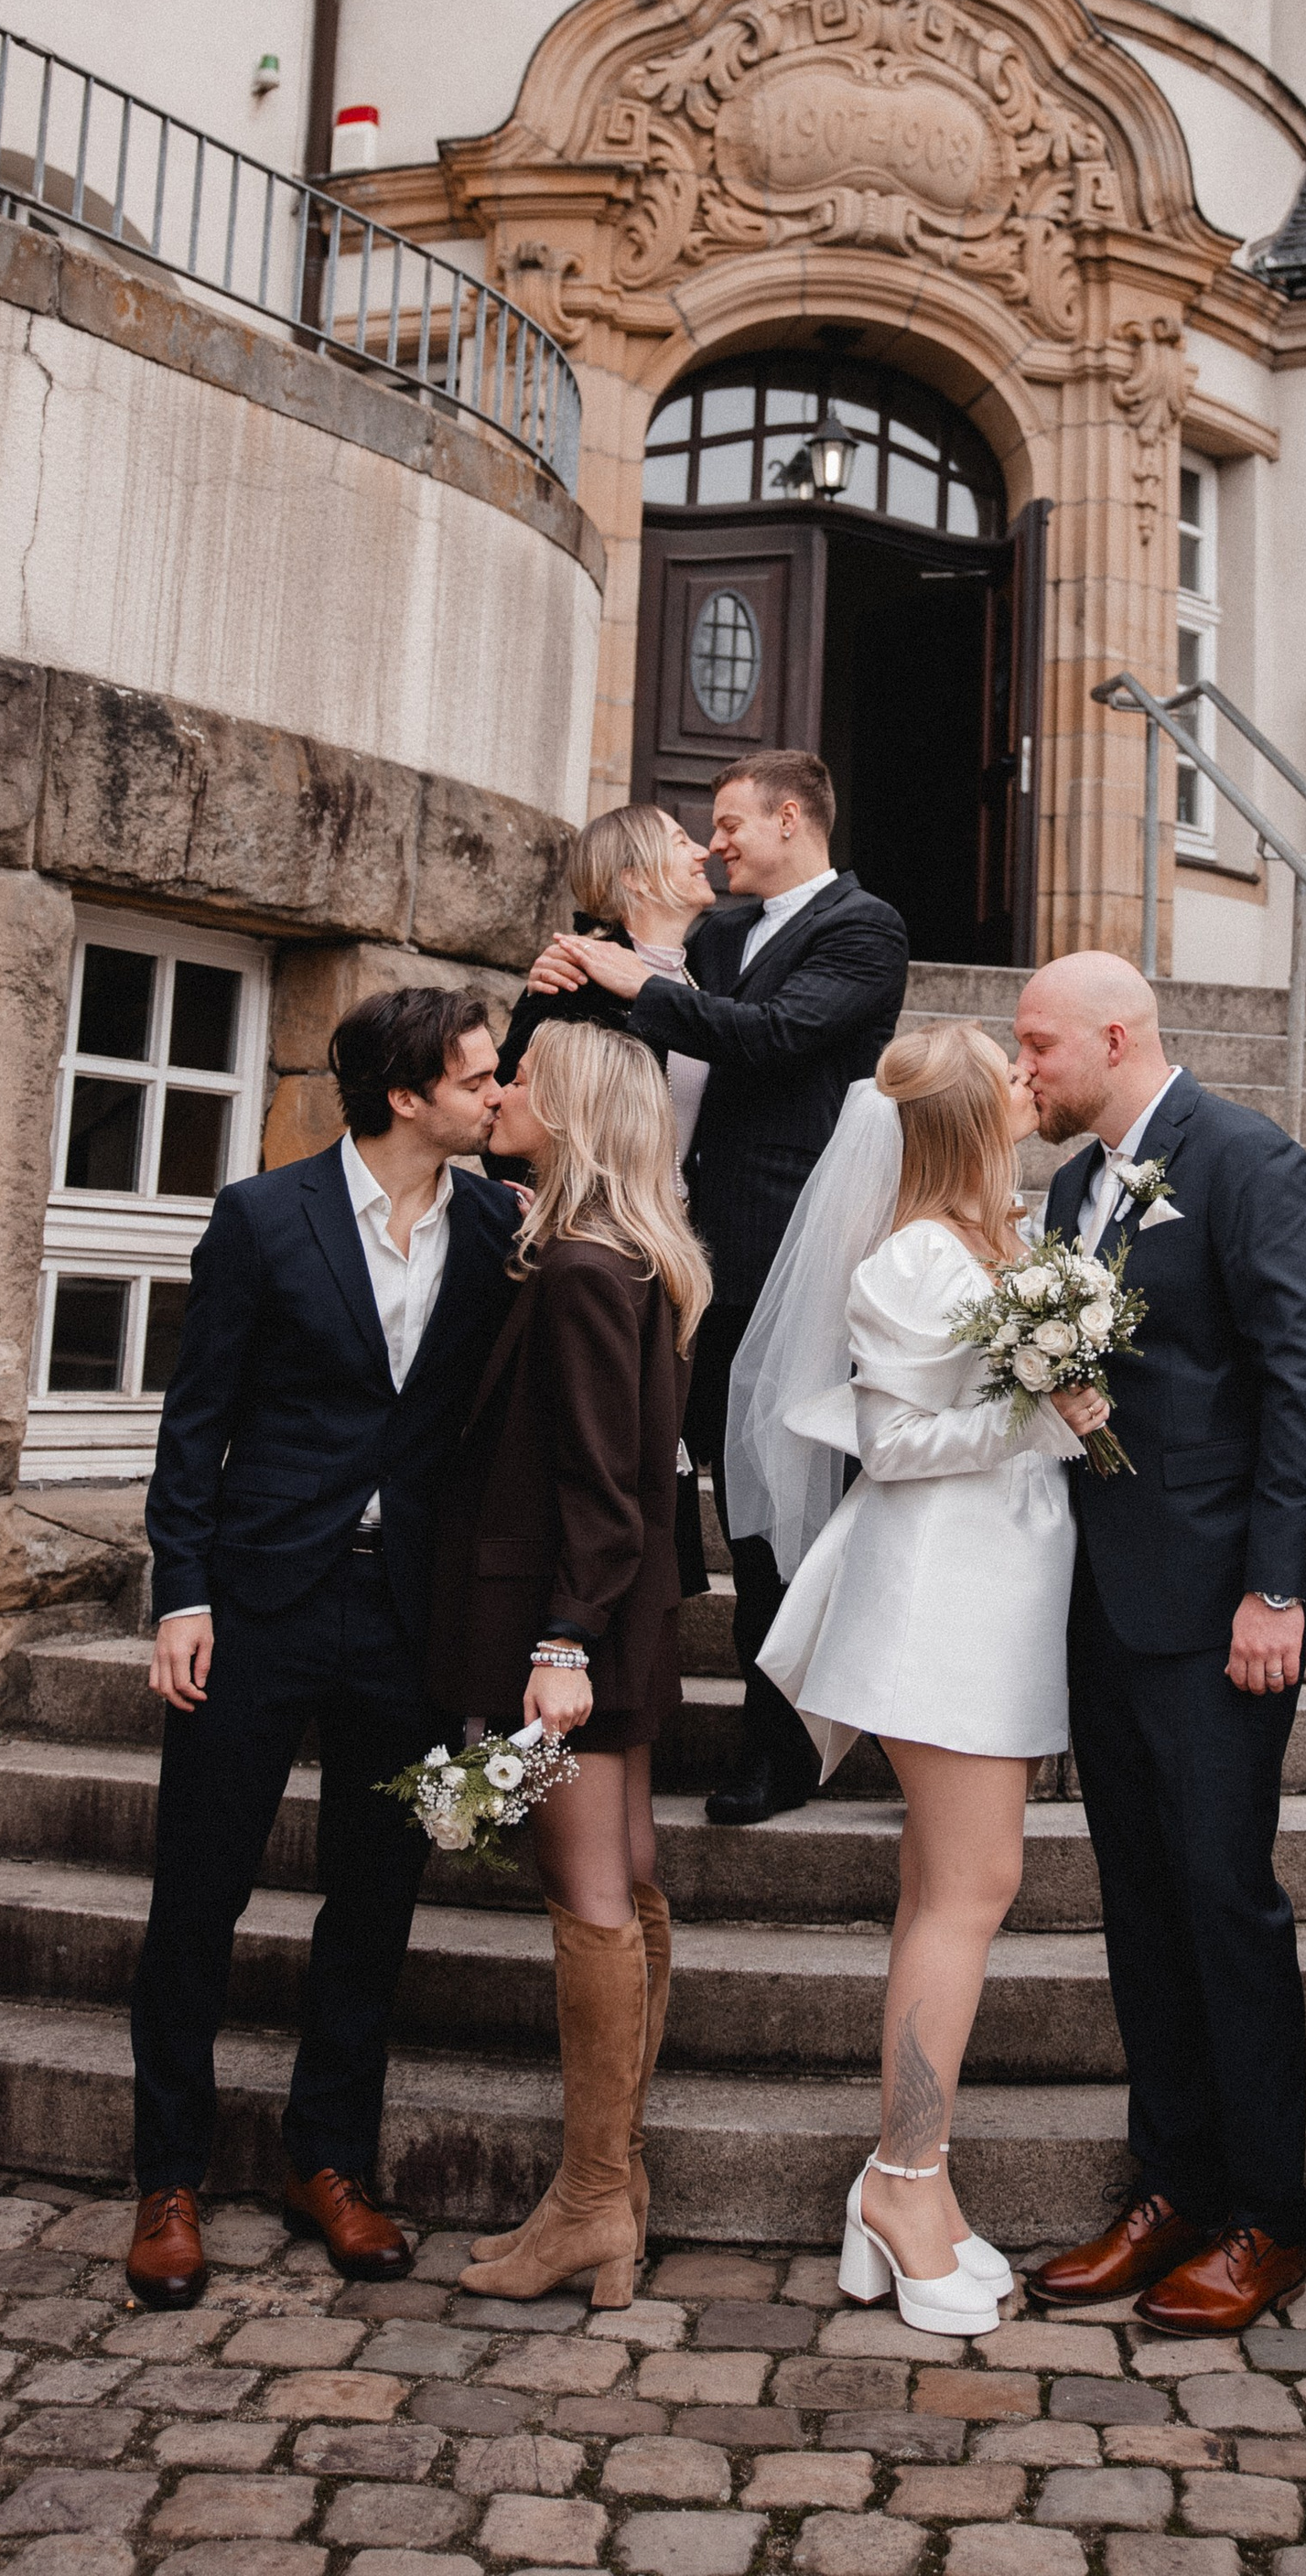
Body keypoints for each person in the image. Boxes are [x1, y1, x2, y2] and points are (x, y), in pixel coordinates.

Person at [124, 987, 516, 2313]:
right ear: (408, 1096)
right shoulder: (261, 1217)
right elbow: (199, 1418)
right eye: (476, 1078)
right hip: (260, 1599)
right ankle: (168, 2180)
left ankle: (329, 2164)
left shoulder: (503, 1226)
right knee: (200, 1895)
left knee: (378, 1893)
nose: (497, 1094)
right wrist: (183, 1594)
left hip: (405, 1617)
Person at [741, 1024, 1113, 2333]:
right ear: (963, 1118)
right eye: (1008, 1075)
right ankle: (905, 2184)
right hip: (939, 1601)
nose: (1030, 1080)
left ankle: (906, 2187)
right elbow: (891, 1444)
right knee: (973, 1888)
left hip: (999, 1589)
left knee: (944, 1892)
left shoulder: (994, 1238)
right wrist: (1036, 1403)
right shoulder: (910, 1257)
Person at [1016, 953, 1306, 2338]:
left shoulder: (1251, 1162)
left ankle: (1267, 2215)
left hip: (1225, 1608)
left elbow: (1303, 1383)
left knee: (1224, 1899)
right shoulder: (1067, 1186)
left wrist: (1276, 1589)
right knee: (1140, 1905)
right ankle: (1168, 2187)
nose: (1023, 1067)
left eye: (1039, 1044)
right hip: (1105, 1598)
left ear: (1117, 1033)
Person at [529, 748, 910, 1825]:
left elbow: (776, 1040)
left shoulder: (862, 928)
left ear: (791, 819)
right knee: (645, 1486)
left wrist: (636, 982)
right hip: (665, 1256)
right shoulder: (723, 932)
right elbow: (641, 967)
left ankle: (780, 1747)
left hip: (779, 1260)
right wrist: (570, 973)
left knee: (768, 1514)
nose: (713, 843)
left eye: (732, 823)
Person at [430, 1026, 710, 2311]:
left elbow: (607, 1492)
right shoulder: (617, 1255)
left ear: (579, 1109)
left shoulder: (591, 1272)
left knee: (586, 1891)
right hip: (613, 1619)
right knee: (630, 1878)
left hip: (577, 1627)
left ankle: (593, 2201)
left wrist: (558, 1649)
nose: (500, 1092)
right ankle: (619, 2187)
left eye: (523, 1079)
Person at [497, 803, 718, 1160]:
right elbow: (509, 1106)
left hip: (684, 1214)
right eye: (680, 842)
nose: (703, 851)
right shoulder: (573, 978)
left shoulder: (704, 973)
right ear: (636, 878)